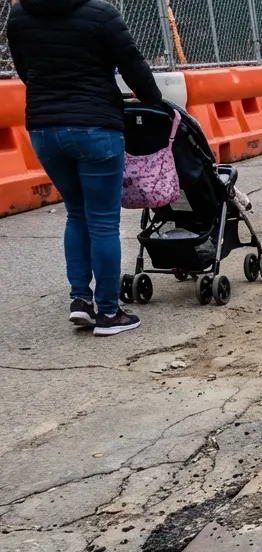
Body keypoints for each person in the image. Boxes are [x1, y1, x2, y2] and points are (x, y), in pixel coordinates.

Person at [6, 0, 162, 336]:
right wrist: (153, 101)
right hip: (95, 127)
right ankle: (108, 313)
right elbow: (133, 65)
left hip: (44, 129)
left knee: (76, 213)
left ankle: (81, 301)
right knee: (104, 221)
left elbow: (25, 69)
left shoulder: (19, 13)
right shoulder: (101, 14)